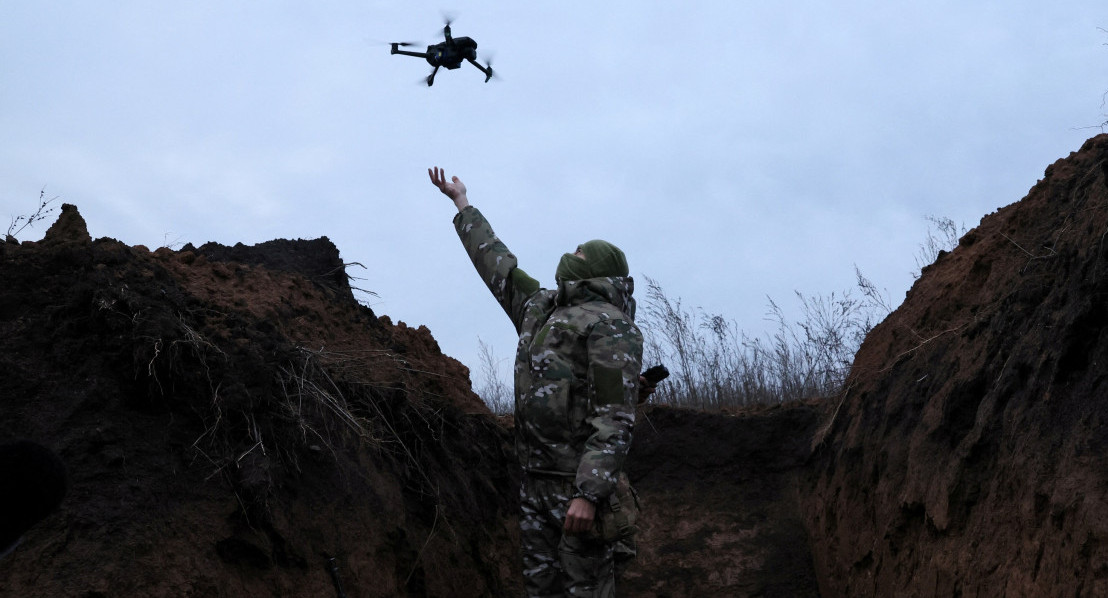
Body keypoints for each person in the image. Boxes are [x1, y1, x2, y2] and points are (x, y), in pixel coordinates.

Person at [429, 167, 643, 597]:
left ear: (598, 270)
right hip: (534, 487)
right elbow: (498, 265)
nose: (571, 253)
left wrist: (588, 493)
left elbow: (614, 418)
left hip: (576, 493)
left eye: (581, 252)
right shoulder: (539, 308)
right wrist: (462, 203)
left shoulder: (611, 326)